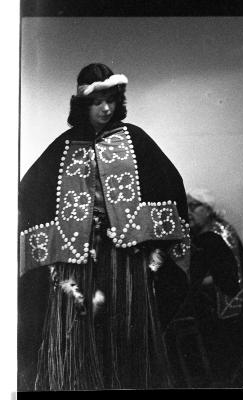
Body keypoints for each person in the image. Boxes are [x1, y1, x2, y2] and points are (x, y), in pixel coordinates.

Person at [18, 63, 191, 390]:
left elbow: (170, 184)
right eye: (97, 102)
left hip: (124, 258)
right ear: (83, 103)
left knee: (125, 327)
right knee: (75, 331)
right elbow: (28, 191)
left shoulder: (135, 140)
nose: (106, 108)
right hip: (77, 261)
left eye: (111, 100)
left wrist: (152, 241)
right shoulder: (65, 146)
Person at [179, 192, 243, 386]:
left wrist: (190, 285)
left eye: (194, 206)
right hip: (205, 297)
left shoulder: (221, 233)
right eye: (186, 207)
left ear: (209, 210)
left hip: (219, 302)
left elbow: (229, 277)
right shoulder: (199, 234)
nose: (188, 212)